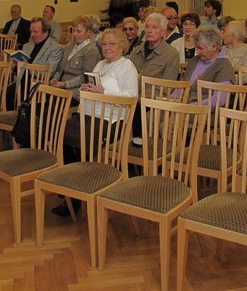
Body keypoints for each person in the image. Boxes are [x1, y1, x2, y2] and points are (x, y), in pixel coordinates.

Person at [53, 28, 139, 216]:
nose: (107, 48)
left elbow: (132, 97)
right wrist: (86, 88)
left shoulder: (126, 66)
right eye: (104, 44)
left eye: (112, 44)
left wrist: (103, 92)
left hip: (111, 119)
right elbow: (92, 87)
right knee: (61, 135)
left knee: (80, 142)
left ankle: (81, 191)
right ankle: (71, 188)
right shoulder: (100, 64)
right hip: (87, 114)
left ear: (122, 46)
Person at [50, 16, 100, 103]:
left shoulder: (92, 51)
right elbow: (59, 69)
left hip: (76, 91)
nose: (75, 34)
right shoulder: (70, 46)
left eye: (79, 31)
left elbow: (85, 77)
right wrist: (55, 79)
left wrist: (65, 84)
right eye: (73, 30)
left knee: (50, 104)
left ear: (88, 32)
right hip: (62, 87)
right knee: (39, 94)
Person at [182, 26, 235, 105]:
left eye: (200, 48)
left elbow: (219, 100)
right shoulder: (194, 60)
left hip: (206, 110)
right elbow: (182, 87)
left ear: (214, 47)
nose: (197, 51)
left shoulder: (224, 66)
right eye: (196, 48)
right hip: (185, 106)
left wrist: (192, 106)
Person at [129, 12, 180, 81]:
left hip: (156, 88)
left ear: (163, 32)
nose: (149, 31)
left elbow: (168, 84)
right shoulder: (136, 52)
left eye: (154, 27)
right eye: (147, 27)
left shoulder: (171, 54)